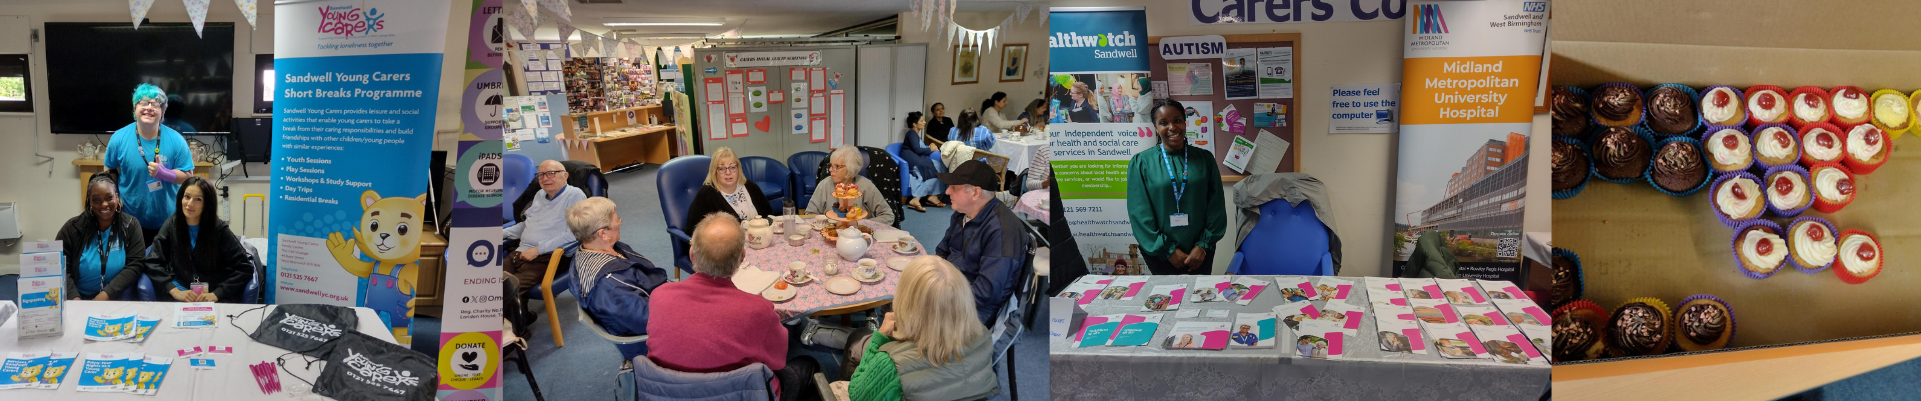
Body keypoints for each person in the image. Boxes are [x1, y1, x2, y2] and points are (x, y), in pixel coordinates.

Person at [646, 213, 804, 398]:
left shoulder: (659, 296)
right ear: (742, 258)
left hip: (665, 394)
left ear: (692, 255)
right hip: (735, 394)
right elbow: (777, 361)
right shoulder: (757, 309)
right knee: (806, 366)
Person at [846, 256, 999, 401]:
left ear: (905, 301)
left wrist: (878, 338)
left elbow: (856, 394)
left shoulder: (890, 364)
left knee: (858, 338)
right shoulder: (984, 336)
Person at [1127, 99, 1227, 275]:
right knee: (1166, 299)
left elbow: (1216, 206)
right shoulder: (1141, 163)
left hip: (1200, 253)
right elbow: (1140, 213)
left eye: (1177, 120)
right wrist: (1168, 250)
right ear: (1156, 127)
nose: (1172, 127)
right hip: (1161, 254)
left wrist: (1203, 246)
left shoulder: (1205, 159)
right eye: (1164, 123)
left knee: (1199, 297)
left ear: (1185, 122)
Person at [566, 197, 668, 361]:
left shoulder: (602, 247)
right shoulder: (609, 285)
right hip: (652, 342)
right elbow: (649, 321)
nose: (620, 222)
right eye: (616, 219)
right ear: (603, 233)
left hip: (659, 303)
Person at [933, 160, 1030, 325]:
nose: (947, 191)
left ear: (975, 193)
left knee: (916, 319)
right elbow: (942, 252)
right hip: (953, 287)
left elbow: (985, 293)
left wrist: (942, 297)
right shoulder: (962, 214)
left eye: (954, 187)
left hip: (977, 308)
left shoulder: (1002, 231)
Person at [104, 84, 196, 244]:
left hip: (168, 221)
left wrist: (164, 173)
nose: (149, 108)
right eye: (143, 102)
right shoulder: (119, 138)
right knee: (134, 267)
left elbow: (188, 176)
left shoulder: (176, 140)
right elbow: (109, 171)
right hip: (129, 220)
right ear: (135, 108)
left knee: (166, 267)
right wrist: (114, 197)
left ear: (162, 112)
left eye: (155, 104)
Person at [146, 177, 252, 303]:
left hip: (212, 295)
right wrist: (174, 291)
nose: (190, 203)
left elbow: (244, 268)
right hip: (180, 293)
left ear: (207, 204)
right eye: (187, 197)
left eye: (198, 199)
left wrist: (217, 294)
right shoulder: (171, 225)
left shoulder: (218, 229)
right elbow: (152, 262)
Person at [59, 172, 149, 300]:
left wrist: (105, 295)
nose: (104, 204)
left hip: (116, 297)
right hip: (79, 298)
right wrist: (75, 299)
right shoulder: (72, 228)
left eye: (109, 198)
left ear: (117, 198)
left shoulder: (131, 225)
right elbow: (60, 267)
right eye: (96, 200)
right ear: (89, 201)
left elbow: (135, 265)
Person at [504, 160, 588, 293]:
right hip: (520, 253)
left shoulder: (574, 195)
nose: (545, 178)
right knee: (487, 283)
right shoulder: (540, 194)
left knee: (504, 292)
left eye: (551, 173)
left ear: (565, 176)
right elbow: (527, 225)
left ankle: (517, 312)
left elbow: (575, 233)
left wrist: (538, 250)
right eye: (541, 175)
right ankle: (521, 313)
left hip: (549, 257)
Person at [806, 147, 898, 226]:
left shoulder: (866, 185)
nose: (830, 170)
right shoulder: (824, 184)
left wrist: (862, 225)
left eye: (837, 166)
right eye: (830, 165)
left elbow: (888, 216)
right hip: (830, 233)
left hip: (859, 236)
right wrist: (828, 225)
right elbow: (810, 214)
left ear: (851, 168)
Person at [685, 147, 775, 228]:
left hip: (758, 240)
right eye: (721, 168)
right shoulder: (706, 194)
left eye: (732, 167)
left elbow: (768, 216)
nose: (728, 172)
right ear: (714, 171)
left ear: (738, 168)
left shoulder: (750, 187)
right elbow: (693, 229)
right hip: (725, 245)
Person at [897, 112, 947, 212]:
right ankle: (920, 198)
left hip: (915, 157)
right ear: (914, 124)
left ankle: (931, 196)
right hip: (910, 157)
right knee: (930, 167)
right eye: (921, 120)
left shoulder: (915, 135)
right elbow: (917, 149)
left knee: (940, 167)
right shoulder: (911, 133)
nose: (924, 122)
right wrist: (930, 149)